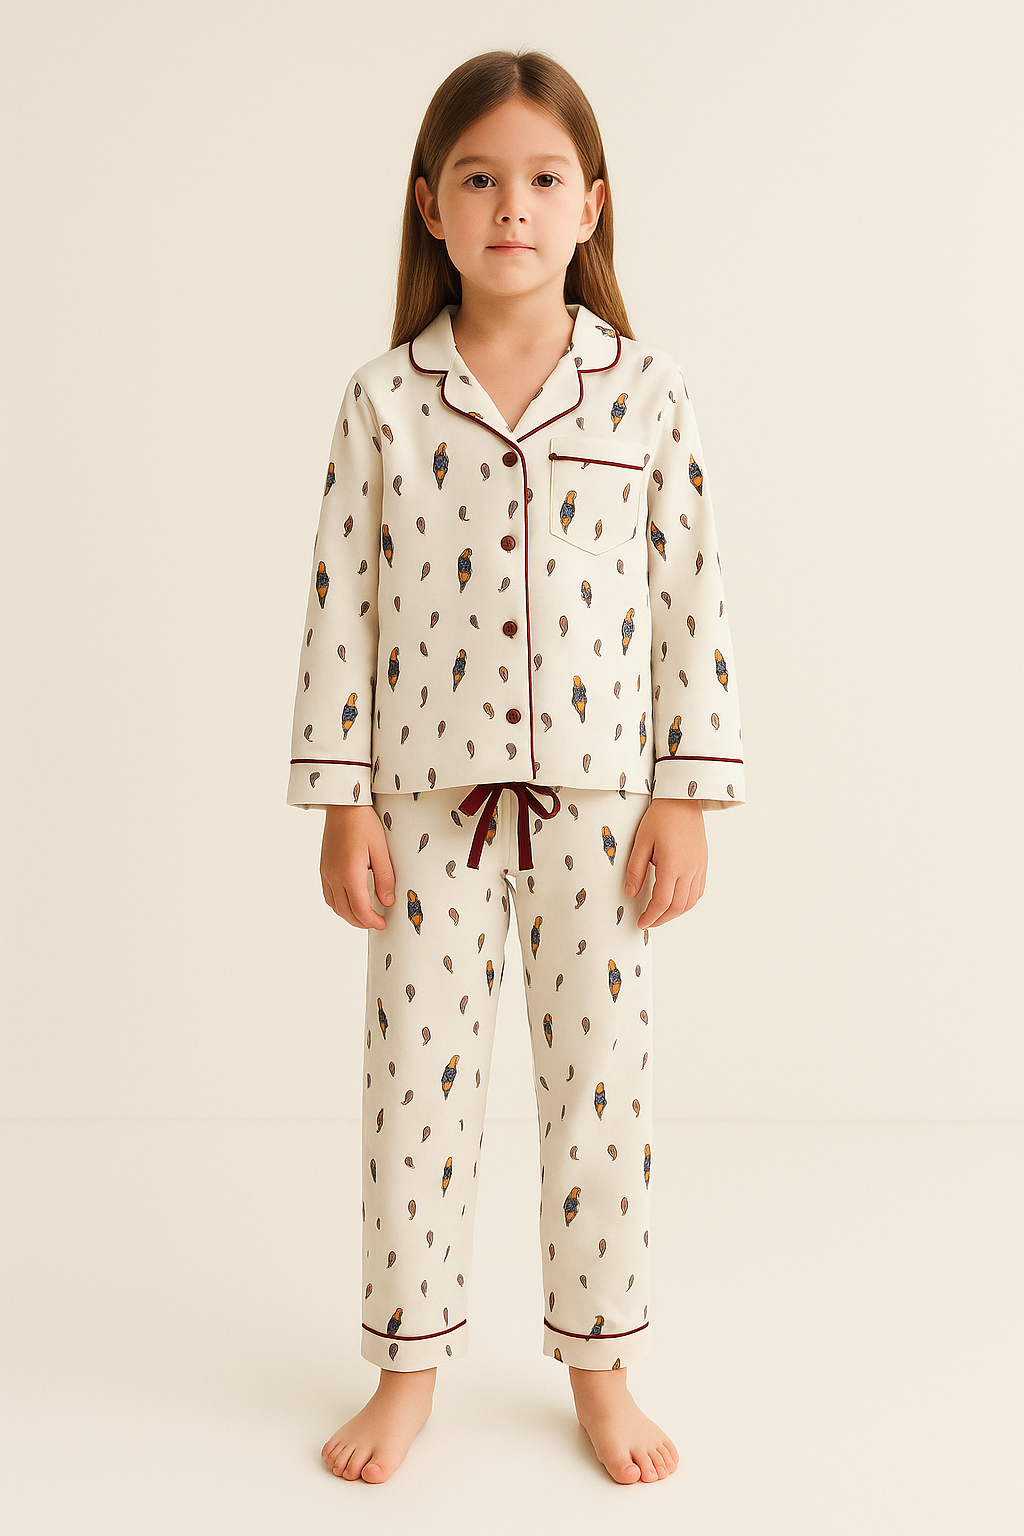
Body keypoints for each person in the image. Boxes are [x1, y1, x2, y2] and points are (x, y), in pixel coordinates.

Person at [286, 48, 747, 1487]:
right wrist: (341, 800)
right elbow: (341, 607)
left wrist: (686, 793)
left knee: (603, 1092)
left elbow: (691, 598)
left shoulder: (646, 393)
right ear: (429, 205)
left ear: (592, 204)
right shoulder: (384, 400)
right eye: (479, 179)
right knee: (412, 1095)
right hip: (425, 813)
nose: (512, 207)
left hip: (603, 814)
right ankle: (406, 1368)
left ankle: (602, 1368)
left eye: (544, 179)